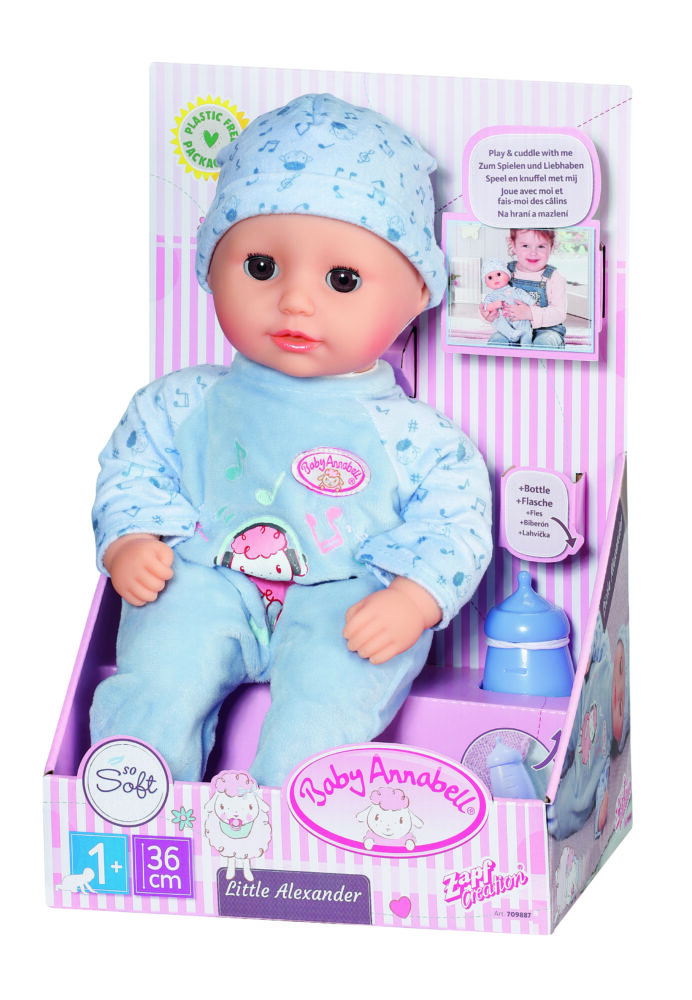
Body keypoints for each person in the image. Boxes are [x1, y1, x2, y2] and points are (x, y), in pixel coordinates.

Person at [90, 93, 492, 788]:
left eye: (342, 280)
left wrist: (415, 597)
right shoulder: (182, 402)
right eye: (260, 267)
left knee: (331, 696)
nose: (296, 302)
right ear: (209, 266)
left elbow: (458, 521)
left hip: (345, 597)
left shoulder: (416, 436)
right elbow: (133, 468)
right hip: (205, 579)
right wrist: (129, 539)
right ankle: (136, 796)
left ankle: (293, 813)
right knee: (160, 669)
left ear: (416, 294)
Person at [547, 617, 630, 840]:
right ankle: (546, 779)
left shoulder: (604, 748)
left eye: (621, 707)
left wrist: (600, 805)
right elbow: (599, 635)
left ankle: (560, 812)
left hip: (591, 746)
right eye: (620, 668)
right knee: (559, 740)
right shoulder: (606, 666)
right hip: (580, 703)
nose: (618, 695)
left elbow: (598, 782)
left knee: (582, 785)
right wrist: (591, 651)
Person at [480, 229, 567, 348]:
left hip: (547, 329)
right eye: (525, 246)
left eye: (541, 246)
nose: (533, 253)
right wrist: (488, 315)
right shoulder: (505, 272)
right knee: (497, 341)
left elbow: (559, 314)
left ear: (550, 247)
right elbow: (491, 299)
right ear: (514, 245)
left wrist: (530, 313)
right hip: (513, 329)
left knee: (543, 343)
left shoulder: (555, 277)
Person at [480, 258, 534, 347]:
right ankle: (511, 334)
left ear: (508, 275)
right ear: (486, 283)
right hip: (504, 320)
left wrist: (533, 305)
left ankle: (526, 344)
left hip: (519, 317)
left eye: (498, 274)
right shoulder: (490, 296)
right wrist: (493, 305)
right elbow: (486, 307)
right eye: (490, 277)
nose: (495, 278)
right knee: (497, 321)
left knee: (525, 327)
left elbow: (527, 298)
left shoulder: (515, 290)